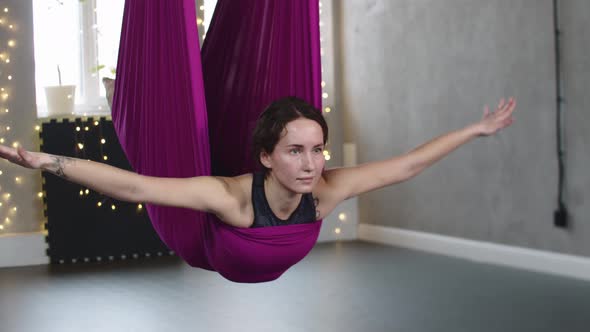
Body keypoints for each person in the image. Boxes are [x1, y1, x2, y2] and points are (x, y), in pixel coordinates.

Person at [0, 96, 515, 229]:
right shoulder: (230, 196)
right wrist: (46, 161)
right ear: (266, 157)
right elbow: (137, 188)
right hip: (220, 256)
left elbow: (407, 165)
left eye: (317, 148)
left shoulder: (326, 191)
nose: (312, 164)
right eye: (295, 150)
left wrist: (476, 128)